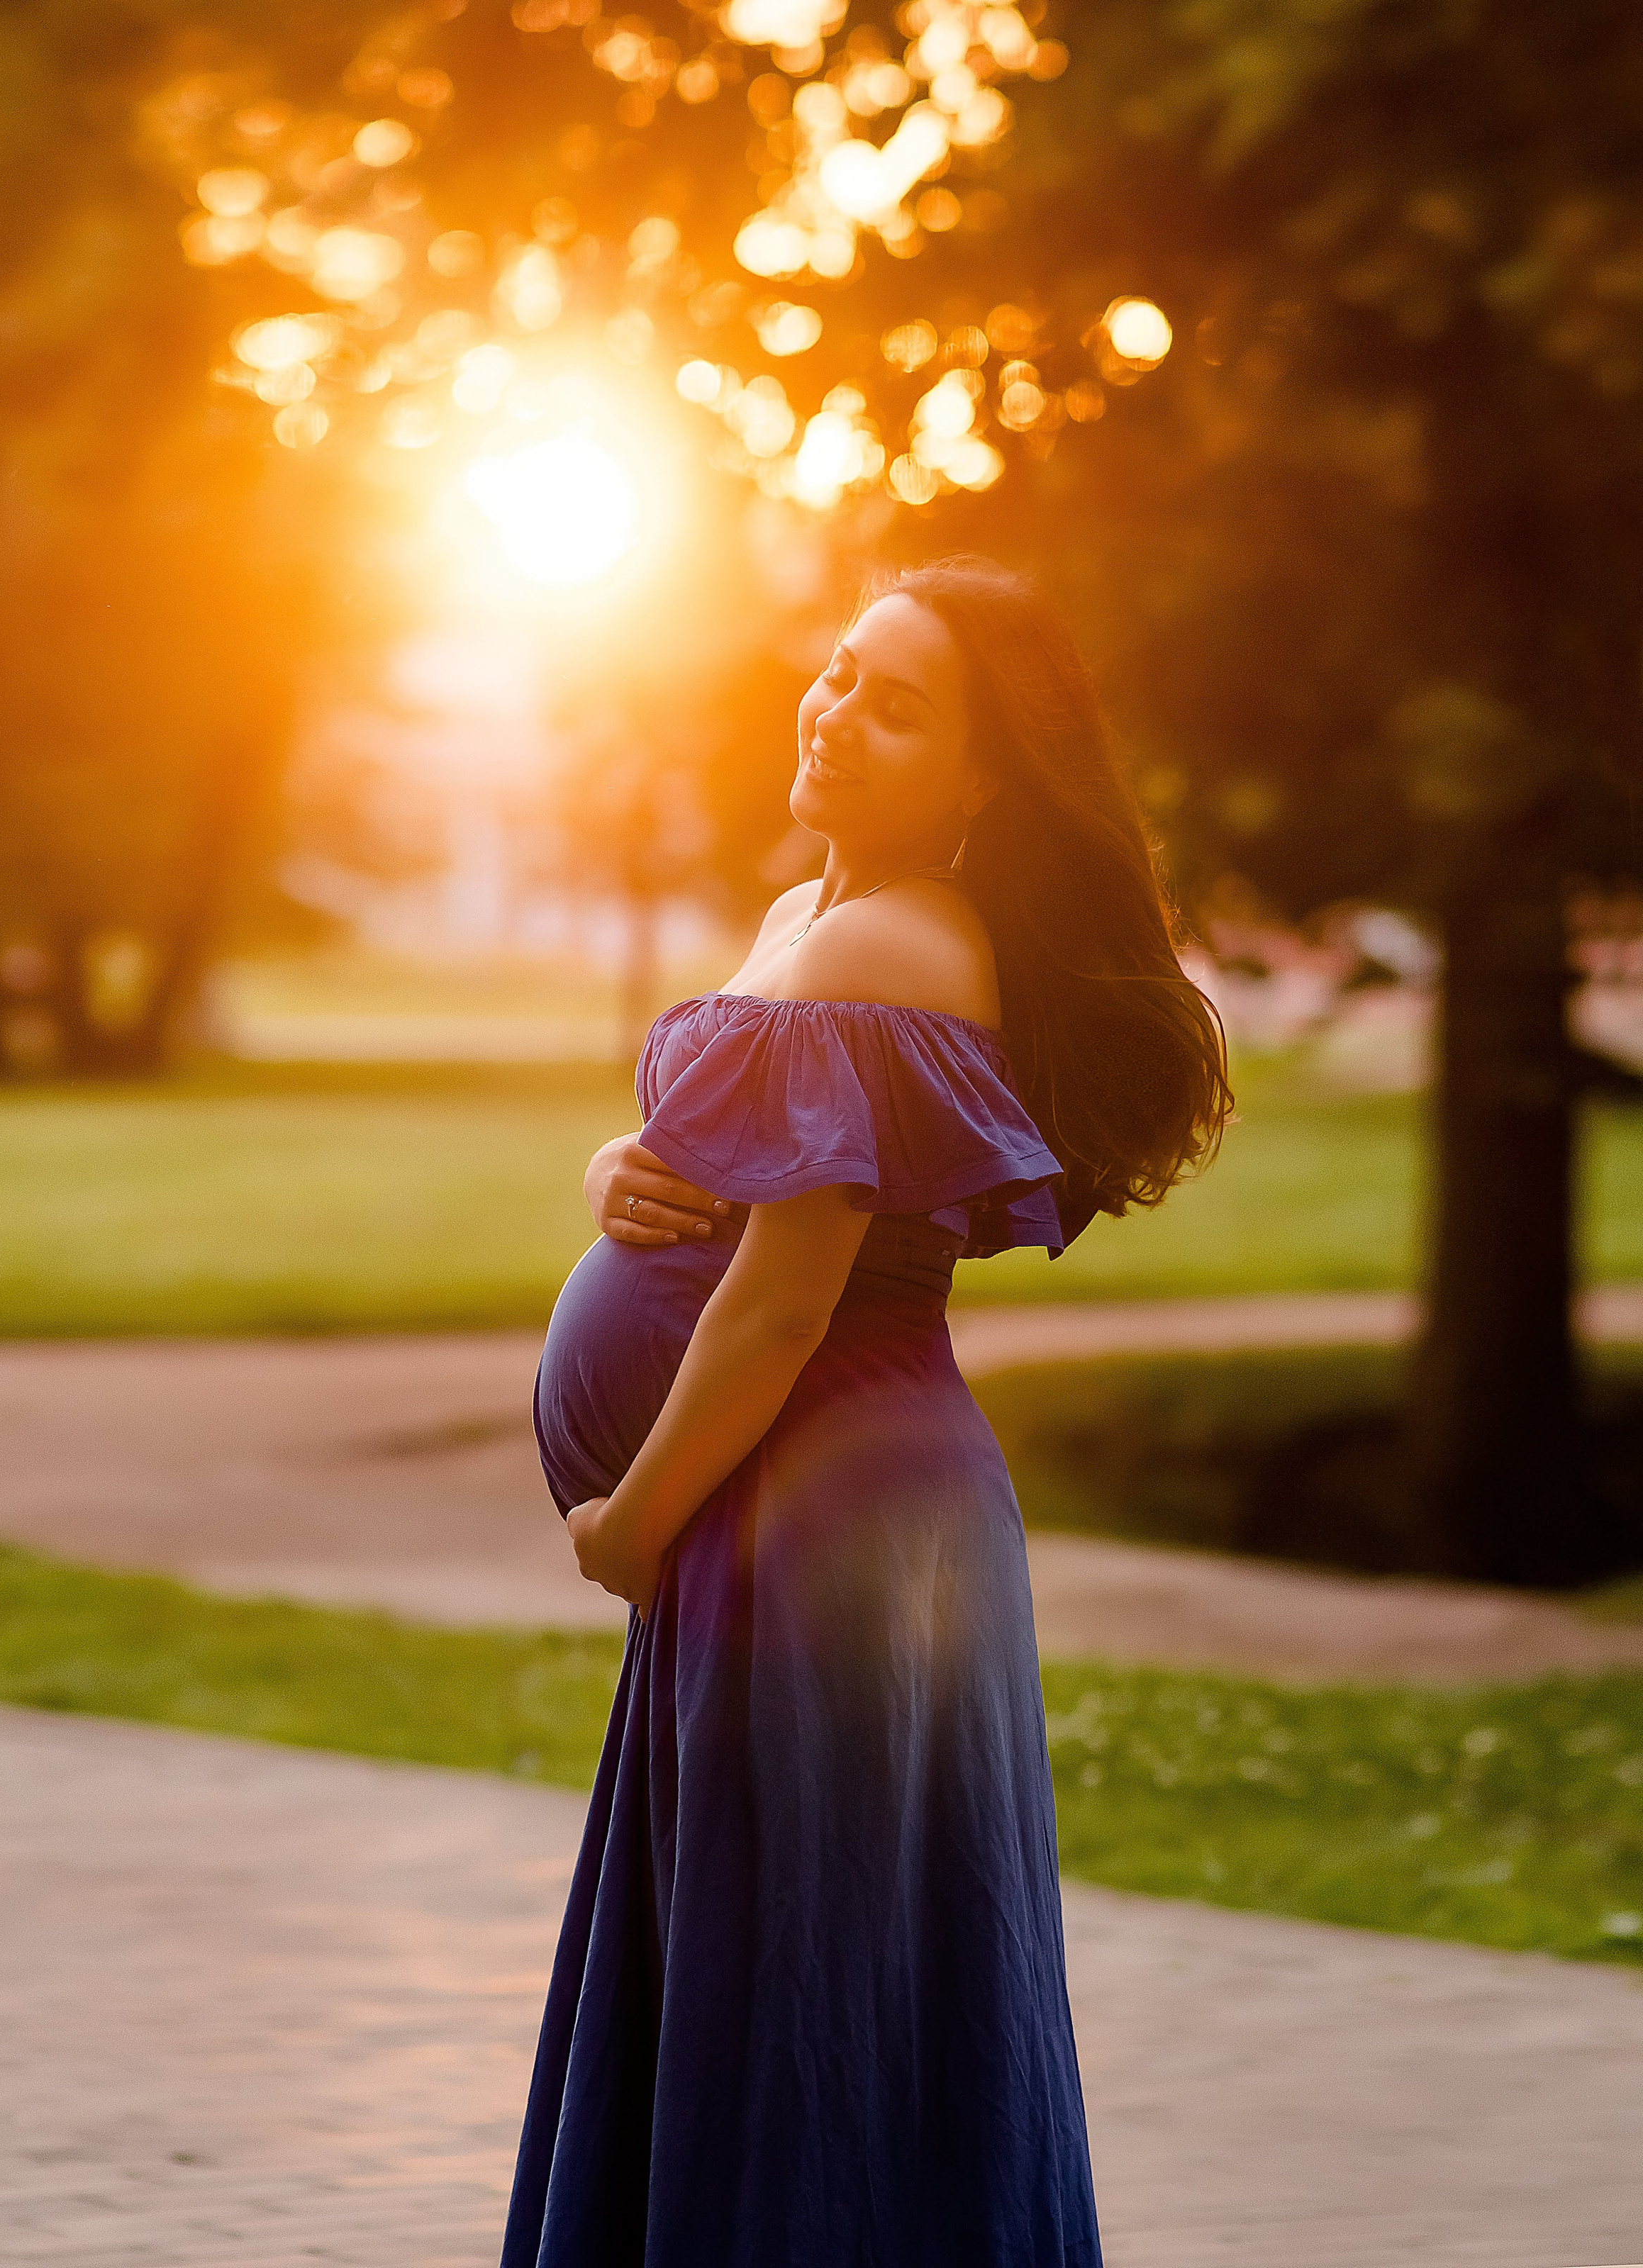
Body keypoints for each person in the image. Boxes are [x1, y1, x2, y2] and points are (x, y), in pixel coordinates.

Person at [501, 555, 1230, 2268]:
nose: (834, 712)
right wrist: (619, 1166)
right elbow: (734, 1167)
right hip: (806, 1513)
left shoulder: (890, 940)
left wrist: (634, 1521)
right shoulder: (806, 918)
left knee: (806, 2004)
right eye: (839, 671)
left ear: (978, 779)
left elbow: (782, 1302)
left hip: (810, 1518)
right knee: (793, 1984)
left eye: (896, 707)